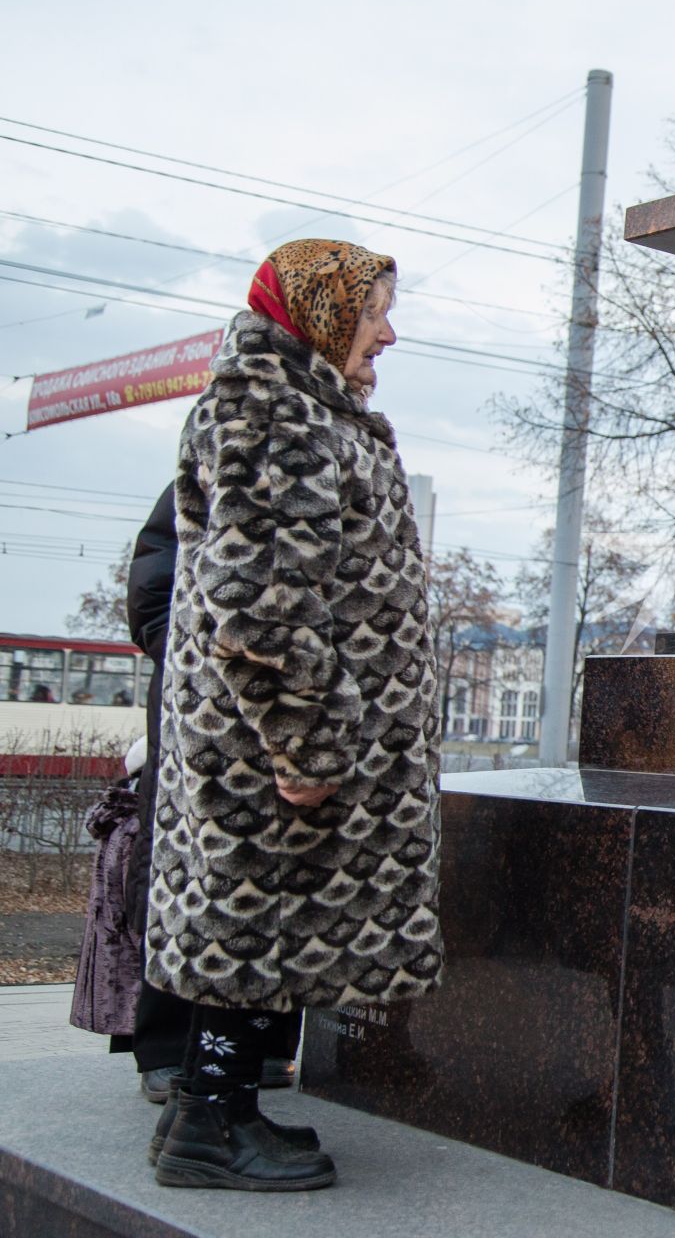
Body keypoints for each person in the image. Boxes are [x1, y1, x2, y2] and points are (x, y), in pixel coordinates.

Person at [145, 240, 443, 1191]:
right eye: (372, 314)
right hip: (272, 749)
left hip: (269, 742)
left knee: (258, 922)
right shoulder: (270, 413)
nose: (386, 335)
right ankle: (210, 1126)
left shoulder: (295, 408)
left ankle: (215, 1108)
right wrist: (308, 742)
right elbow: (263, 600)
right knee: (253, 916)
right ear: (318, 315)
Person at [120, 484, 301, 1100]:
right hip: (201, 694)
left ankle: (265, 1046)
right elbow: (153, 579)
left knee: (276, 872)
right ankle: (169, 1050)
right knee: (188, 868)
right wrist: (189, 655)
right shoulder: (221, 453)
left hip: (283, 696)